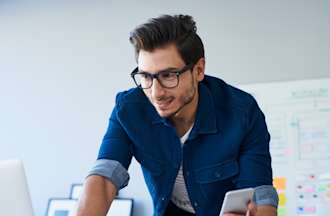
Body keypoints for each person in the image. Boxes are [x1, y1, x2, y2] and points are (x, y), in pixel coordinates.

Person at [76, 14, 278, 216]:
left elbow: (260, 195)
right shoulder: (129, 109)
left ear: (198, 70)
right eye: (146, 76)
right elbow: (104, 177)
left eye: (168, 75)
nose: (156, 93)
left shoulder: (242, 112)